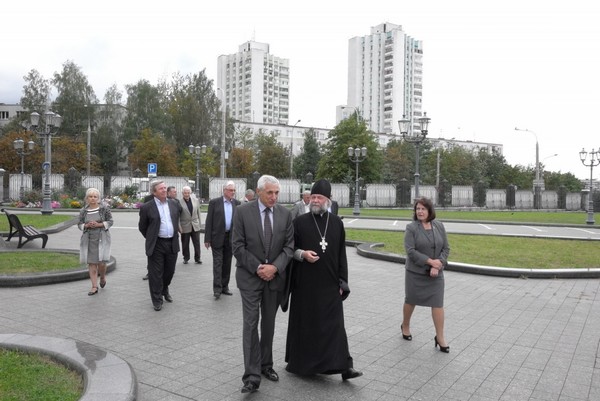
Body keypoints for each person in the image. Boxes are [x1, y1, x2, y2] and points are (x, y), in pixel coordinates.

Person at [284, 179, 362, 380]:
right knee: (307, 325)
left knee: (335, 326)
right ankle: (304, 365)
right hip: (305, 286)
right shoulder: (299, 222)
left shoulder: (336, 223)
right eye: (313, 197)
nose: (315, 200)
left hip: (329, 285)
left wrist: (342, 281)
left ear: (329, 200)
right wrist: (302, 254)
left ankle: (345, 367)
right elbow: (288, 249)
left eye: (320, 197)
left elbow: (341, 256)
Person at [232, 175, 294, 394]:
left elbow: (288, 247)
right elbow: (237, 246)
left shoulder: (285, 214)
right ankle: (251, 376)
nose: (274, 197)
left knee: (268, 325)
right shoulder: (242, 212)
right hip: (250, 278)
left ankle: (266, 365)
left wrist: (274, 268)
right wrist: (259, 268)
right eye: (270, 192)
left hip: (274, 279)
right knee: (250, 324)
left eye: (277, 193)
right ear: (259, 192)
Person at [402, 197, 450, 353]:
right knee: (411, 300)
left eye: (423, 209)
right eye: (418, 209)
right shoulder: (411, 228)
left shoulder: (439, 226)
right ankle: (406, 325)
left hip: (436, 274)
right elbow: (411, 251)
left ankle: (440, 336)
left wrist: (439, 263)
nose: (420, 211)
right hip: (415, 273)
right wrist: (431, 262)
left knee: (437, 304)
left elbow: (446, 249)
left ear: (430, 210)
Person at [138, 180, 182, 311]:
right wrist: (151, 238)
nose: (164, 190)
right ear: (154, 192)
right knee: (155, 273)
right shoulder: (147, 207)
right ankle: (157, 300)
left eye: (165, 188)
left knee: (170, 271)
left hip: (172, 242)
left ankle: (164, 288)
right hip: (157, 244)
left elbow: (176, 220)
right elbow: (142, 227)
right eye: (161, 189)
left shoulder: (174, 204)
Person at [204, 181, 240, 298]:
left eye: (234, 190)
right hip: (217, 237)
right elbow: (209, 221)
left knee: (227, 263)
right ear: (224, 190)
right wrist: (207, 238)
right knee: (218, 263)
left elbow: (239, 223)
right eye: (230, 190)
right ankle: (217, 289)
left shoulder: (237, 204)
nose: (233, 192)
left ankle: (225, 286)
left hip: (231, 238)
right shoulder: (215, 203)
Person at [78, 188, 113, 296]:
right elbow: (79, 224)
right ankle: (94, 286)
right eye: (90, 196)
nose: (92, 199)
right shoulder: (83, 211)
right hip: (89, 239)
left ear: (98, 198)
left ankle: (102, 277)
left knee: (101, 263)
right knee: (92, 263)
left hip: (102, 237)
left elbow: (110, 221)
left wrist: (99, 224)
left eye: (95, 197)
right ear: (87, 198)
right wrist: (86, 225)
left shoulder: (104, 209)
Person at [179, 186, 202, 264]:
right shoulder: (179, 202)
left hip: (195, 225)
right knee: (185, 243)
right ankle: (186, 258)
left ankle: (197, 258)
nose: (187, 194)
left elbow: (199, 213)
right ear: (182, 193)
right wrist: (179, 227)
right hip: (184, 226)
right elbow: (178, 216)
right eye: (185, 193)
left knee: (197, 243)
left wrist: (200, 224)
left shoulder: (195, 200)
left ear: (190, 193)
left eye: (188, 193)